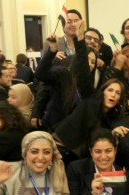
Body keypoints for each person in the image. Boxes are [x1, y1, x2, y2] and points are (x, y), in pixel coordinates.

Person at [53, 21, 125, 161]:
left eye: (117, 93)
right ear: (103, 91)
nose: (113, 95)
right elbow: (83, 71)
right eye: (110, 90)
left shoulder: (112, 118)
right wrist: (79, 40)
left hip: (79, 157)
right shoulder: (91, 96)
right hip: (60, 148)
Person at [62, 128, 129, 195]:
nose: (103, 157)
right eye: (98, 151)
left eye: (108, 151)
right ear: (91, 152)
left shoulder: (125, 176)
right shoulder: (76, 169)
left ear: (115, 151)